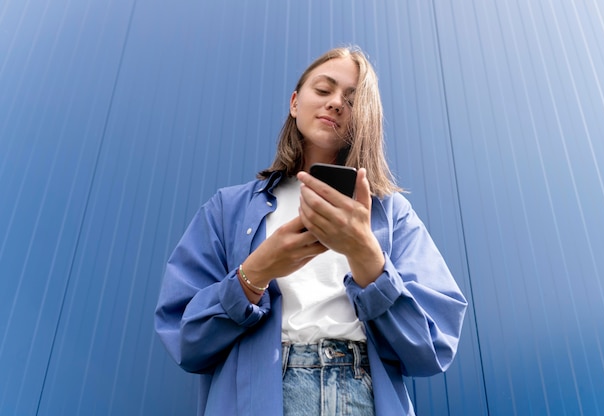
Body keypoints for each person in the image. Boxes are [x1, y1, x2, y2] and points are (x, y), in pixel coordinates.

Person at [155, 45, 467, 416]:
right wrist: (256, 272)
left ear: (362, 120)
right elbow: (185, 339)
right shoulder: (227, 208)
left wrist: (367, 258)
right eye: (323, 90)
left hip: (361, 394)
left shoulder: (392, 214)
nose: (335, 103)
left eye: (351, 101)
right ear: (294, 102)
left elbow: (433, 348)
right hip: (260, 397)